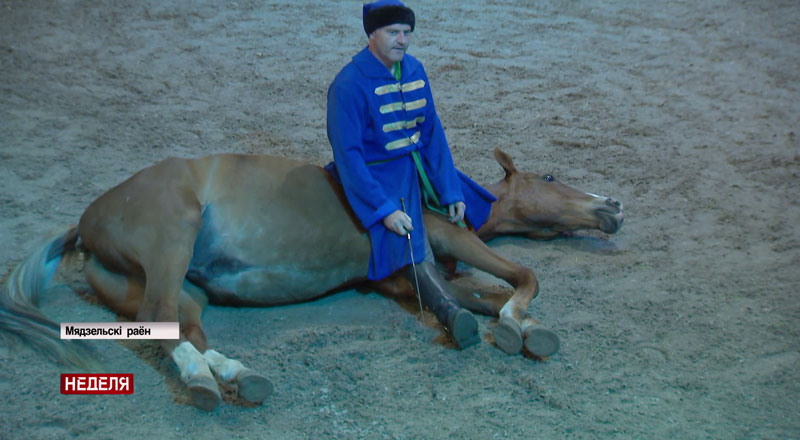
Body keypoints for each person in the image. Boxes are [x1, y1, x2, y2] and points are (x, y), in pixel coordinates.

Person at [324, 0, 496, 349]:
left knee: (476, 205)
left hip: (412, 163)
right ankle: (447, 312)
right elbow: (349, 156)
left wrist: (449, 191)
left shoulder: (415, 69)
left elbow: (431, 133)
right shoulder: (349, 84)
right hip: (376, 175)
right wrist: (383, 209)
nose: (401, 40)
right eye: (393, 32)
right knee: (404, 240)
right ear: (372, 34)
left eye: (407, 33)